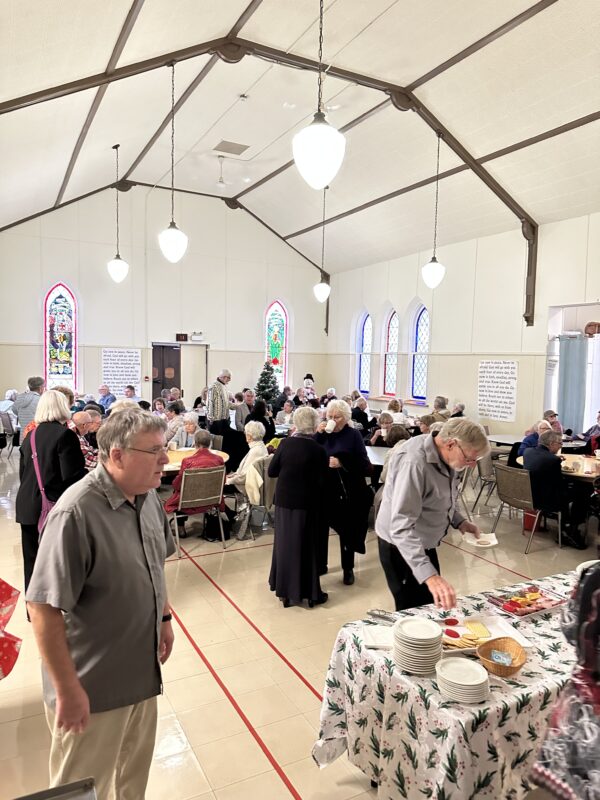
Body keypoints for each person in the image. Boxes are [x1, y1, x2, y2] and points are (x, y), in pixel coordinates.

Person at [25, 408, 175, 798]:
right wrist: (67, 687)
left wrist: (164, 616)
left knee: (131, 780)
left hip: (141, 676)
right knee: (84, 787)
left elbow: (155, 563)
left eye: (166, 448)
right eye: (155, 450)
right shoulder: (76, 512)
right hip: (92, 689)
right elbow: (42, 608)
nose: (165, 459)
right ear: (117, 455)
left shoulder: (147, 499)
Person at [376, 418, 489, 611]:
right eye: (470, 459)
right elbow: (401, 527)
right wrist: (429, 576)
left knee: (429, 604)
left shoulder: (447, 455)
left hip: (422, 541)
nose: (471, 465)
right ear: (451, 444)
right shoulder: (414, 462)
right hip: (399, 545)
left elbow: (440, 495)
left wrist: (459, 521)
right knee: (412, 611)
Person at [15, 390, 86, 591]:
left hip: (27, 504)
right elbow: (72, 476)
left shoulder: (31, 436)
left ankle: (34, 609)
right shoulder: (65, 435)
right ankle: (57, 606)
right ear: (63, 407)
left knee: (32, 561)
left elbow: (23, 474)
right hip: (52, 506)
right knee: (58, 561)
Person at [268, 407, 329, 608]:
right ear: (314, 425)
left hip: (285, 501)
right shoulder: (319, 449)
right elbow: (322, 480)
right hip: (307, 502)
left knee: (284, 544)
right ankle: (310, 592)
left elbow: (272, 471)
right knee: (306, 545)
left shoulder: (286, 444)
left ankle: (284, 591)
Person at [314, 399, 373, 586]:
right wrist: (317, 435)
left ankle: (348, 568)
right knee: (320, 528)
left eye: (336, 417)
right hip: (323, 487)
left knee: (346, 530)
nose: (332, 419)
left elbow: (364, 465)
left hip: (346, 489)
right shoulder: (323, 434)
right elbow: (312, 454)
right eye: (329, 416)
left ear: (345, 418)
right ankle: (320, 564)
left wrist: (342, 463)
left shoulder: (353, 435)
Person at [523, 430, 587, 549]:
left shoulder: (528, 452)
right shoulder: (553, 460)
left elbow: (543, 460)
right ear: (552, 444)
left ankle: (568, 524)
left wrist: (554, 457)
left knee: (575, 490)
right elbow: (559, 485)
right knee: (582, 491)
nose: (561, 446)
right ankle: (571, 527)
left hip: (529, 495)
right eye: (560, 443)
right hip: (546, 501)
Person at [164, 429, 226, 538]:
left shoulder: (187, 461)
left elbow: (178, 485)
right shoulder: (219, 460)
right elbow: (223, 481)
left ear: (195, 443)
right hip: (211, 500)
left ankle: (181, 528)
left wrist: (174, 483)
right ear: (210, 442)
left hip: (188, 501)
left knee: (179, 491)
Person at [225, 421, 268, 540]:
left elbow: (244, 476)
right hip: (249, 482)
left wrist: (229, 480)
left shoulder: (255, 451)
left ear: (249, 436)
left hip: (246, 485)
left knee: (215, 487)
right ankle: (230, 515)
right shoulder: (260, 447)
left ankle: (229, 517)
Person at [207, 369, 235, 435]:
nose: (230, 380)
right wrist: (211, 419)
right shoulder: (214, 386)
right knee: (217, 441)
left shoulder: (224, 386)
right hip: (216, 420)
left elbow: (225, 403)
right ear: (224, 377)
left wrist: (236, 406)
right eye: (229, 378)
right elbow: (210, 402)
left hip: (224, 419)